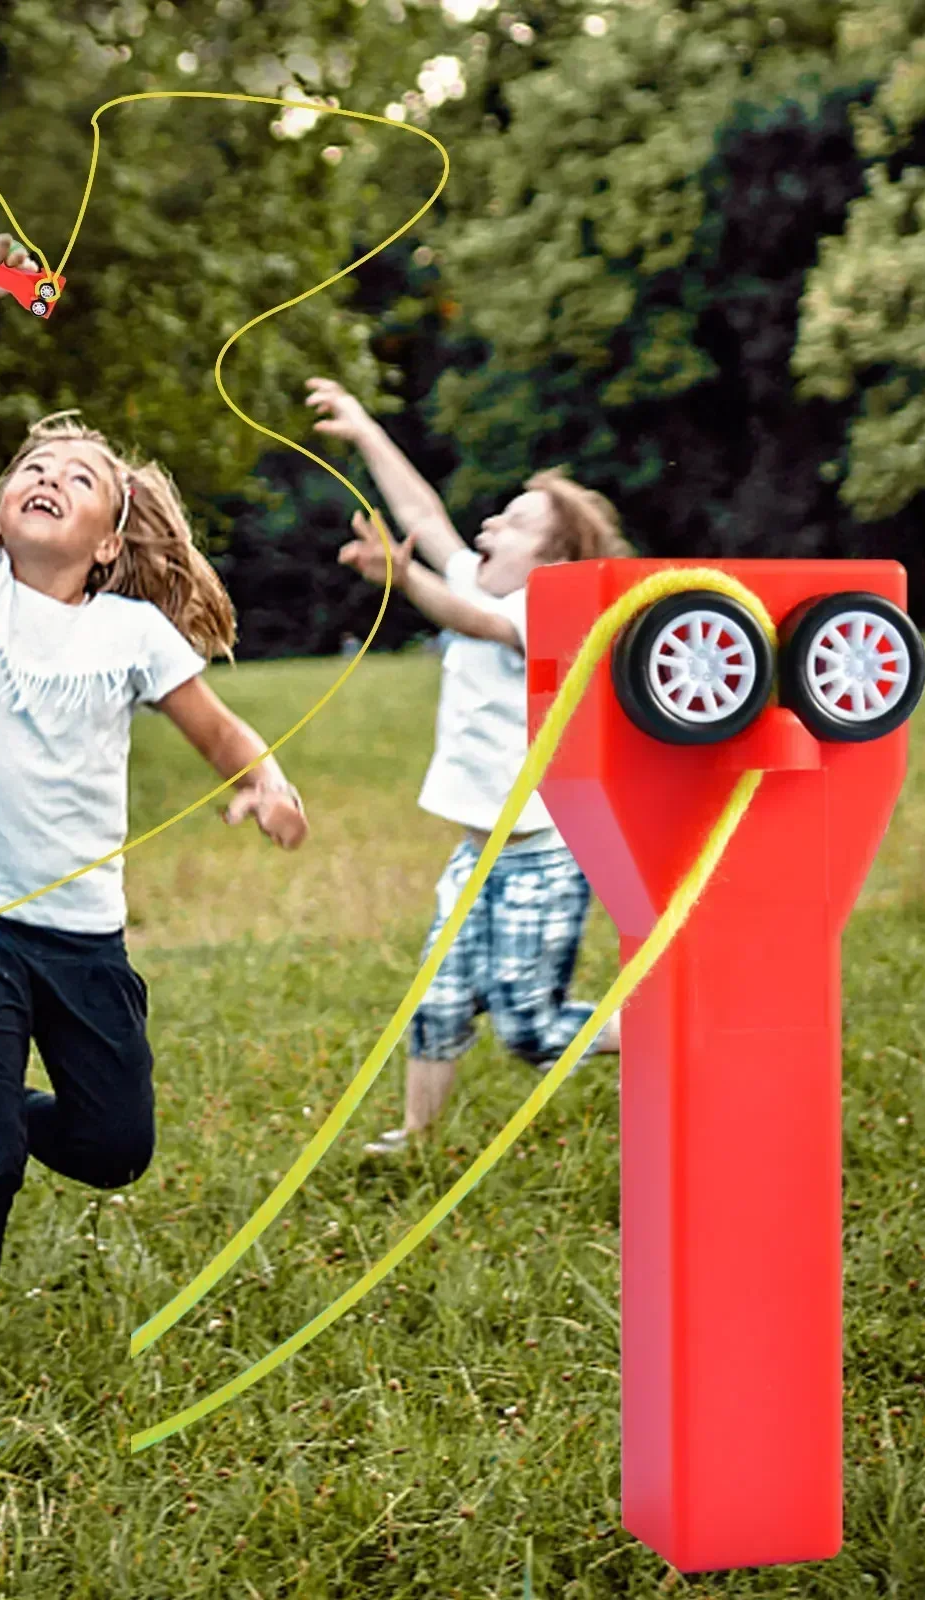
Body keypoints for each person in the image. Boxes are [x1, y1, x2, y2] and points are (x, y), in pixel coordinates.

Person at [0, 234, 310, 1406]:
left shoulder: (129, 633)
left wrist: (260, 780)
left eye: (78, 478)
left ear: (111, 541)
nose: (46, 476)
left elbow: (218, 731)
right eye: (38, 465)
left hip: (81, 936)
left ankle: (2, 1117)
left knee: (115, 1146)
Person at [305, 375, 629, 1157]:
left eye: (514, 523)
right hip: (476, 854)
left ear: (552, 558)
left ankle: (661, 1032)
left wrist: (402, 575)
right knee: (439, 997)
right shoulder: (481, 580)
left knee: (529, 1027)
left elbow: (472, 621)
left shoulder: (546, 618)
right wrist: (362, 430)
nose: (488, 524)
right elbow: (422, 512)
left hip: (543, 859)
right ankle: (417, 1138)